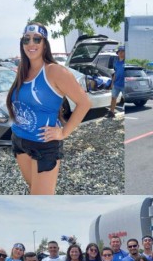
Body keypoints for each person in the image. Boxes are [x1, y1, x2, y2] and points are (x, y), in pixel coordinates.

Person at [6, 22, 91, 195]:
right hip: (19, 140)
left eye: (37, 39)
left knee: (42, 198)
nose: (31, 44)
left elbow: (85, 103)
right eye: (26, 40)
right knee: (33, 192)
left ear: (45, 44)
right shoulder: (23, 70)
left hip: (44, 146)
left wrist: (64, 132)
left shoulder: (55, 71)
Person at [106, 45, 125, 118]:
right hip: (116, 84)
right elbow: (115, 73)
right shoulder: (116, 63)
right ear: (117, 53)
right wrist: (112, 83)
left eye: (122, 51)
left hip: (124, 85)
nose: (121, 53)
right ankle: (111, 113)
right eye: (119, 51)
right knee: (113, 98)